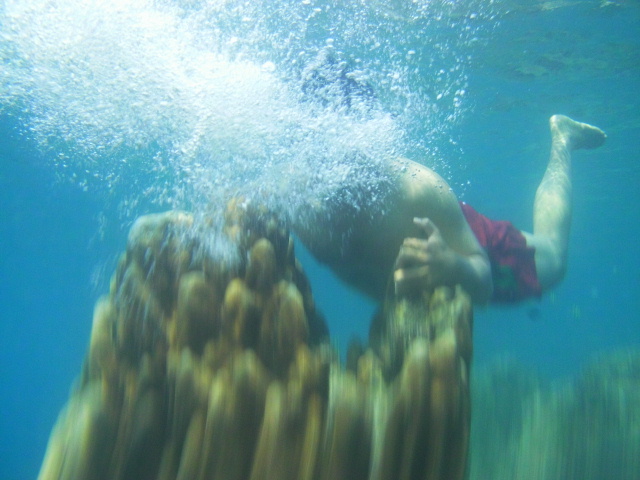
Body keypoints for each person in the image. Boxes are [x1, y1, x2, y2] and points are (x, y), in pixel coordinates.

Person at [295, 53, 607, 305]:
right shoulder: (295, 200)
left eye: (355, 157)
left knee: (554, 257)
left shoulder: (417, 189)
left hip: (475, 245)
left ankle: (563, 139)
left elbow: (483, 285)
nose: (346, 173)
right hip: (432, 267)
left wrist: (454, 266)